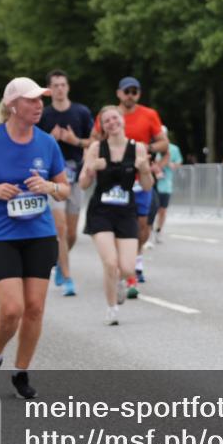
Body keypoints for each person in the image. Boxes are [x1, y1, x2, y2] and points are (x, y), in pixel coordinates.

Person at [0, 78, 67, 399]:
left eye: (40, 99)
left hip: (40, 234)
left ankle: (21, 371)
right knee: (11, 309)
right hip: (0, 235)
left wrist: (49, 187)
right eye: (31, 100)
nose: (39, 105)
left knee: (34, 308)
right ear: (13, 105)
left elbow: (65, 189)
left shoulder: (47, 143)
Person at [92, 77, 168, 298]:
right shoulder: (109, 116)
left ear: (139, 94)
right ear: (119, 93)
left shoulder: (149, 114)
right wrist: (93, 163)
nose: (130, 95)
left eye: (134, 91)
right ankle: (122, 265)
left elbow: (163, 143)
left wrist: (144, 150)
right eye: (127, 91)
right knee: (116, 224)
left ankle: (136, 259)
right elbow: (93, 141)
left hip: (137, 177)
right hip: (112, 181)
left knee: (142, 224)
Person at [79, 105, 153, 326]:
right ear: (102, 126)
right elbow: (83, 184)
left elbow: (147, 186)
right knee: (110, 263)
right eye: (106, 121)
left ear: (122, 119)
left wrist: (145, 170)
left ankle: (120, 280)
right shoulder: (96, 148)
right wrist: (91, 169)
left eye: (114, 118)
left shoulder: (138, 148)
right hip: (101, 212)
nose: (112, 123)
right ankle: (111, 308)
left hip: (126, 212)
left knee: (128, 268)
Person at [38, 70, 94, 297]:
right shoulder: (44, 115)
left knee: (71, 234)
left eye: (63, 84)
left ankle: (60, 263)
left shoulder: (81, 112)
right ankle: (68, 277)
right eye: (55, 85)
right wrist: (50, 140)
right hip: (52, 177)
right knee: (59, 228)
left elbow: (94, 141)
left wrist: (74, 140)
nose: (60, 89)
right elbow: (33, 143)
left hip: (75, 175)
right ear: (50, 90)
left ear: (68, 87)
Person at [152, 128, 182, 243]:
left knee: (162, 210)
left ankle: (159, 231)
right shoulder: (151, 148)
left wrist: (171, 164)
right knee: (151, 209)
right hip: (151, 184)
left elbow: (178, 162)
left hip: (165, 185)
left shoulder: (173, 149)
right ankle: (149, 231)